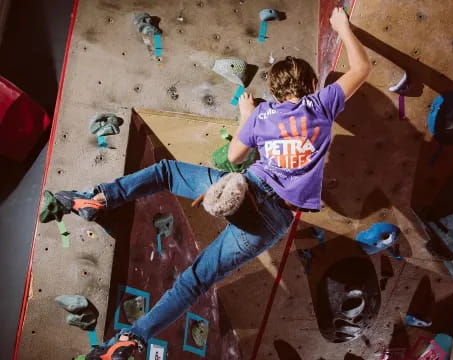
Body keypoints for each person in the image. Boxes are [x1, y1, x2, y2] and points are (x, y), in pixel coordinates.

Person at [66, 7, 370, 359]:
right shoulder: (320, 104)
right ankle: (132, 339)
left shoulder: (263, 114)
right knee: (195, 281)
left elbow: (238, 156)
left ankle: (101, 198)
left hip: (244, 190)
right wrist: (343, 27)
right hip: (270, 220)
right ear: (311, 84)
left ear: (274, 90)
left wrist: (247, 116)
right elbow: (362, 68)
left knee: (165, 172)